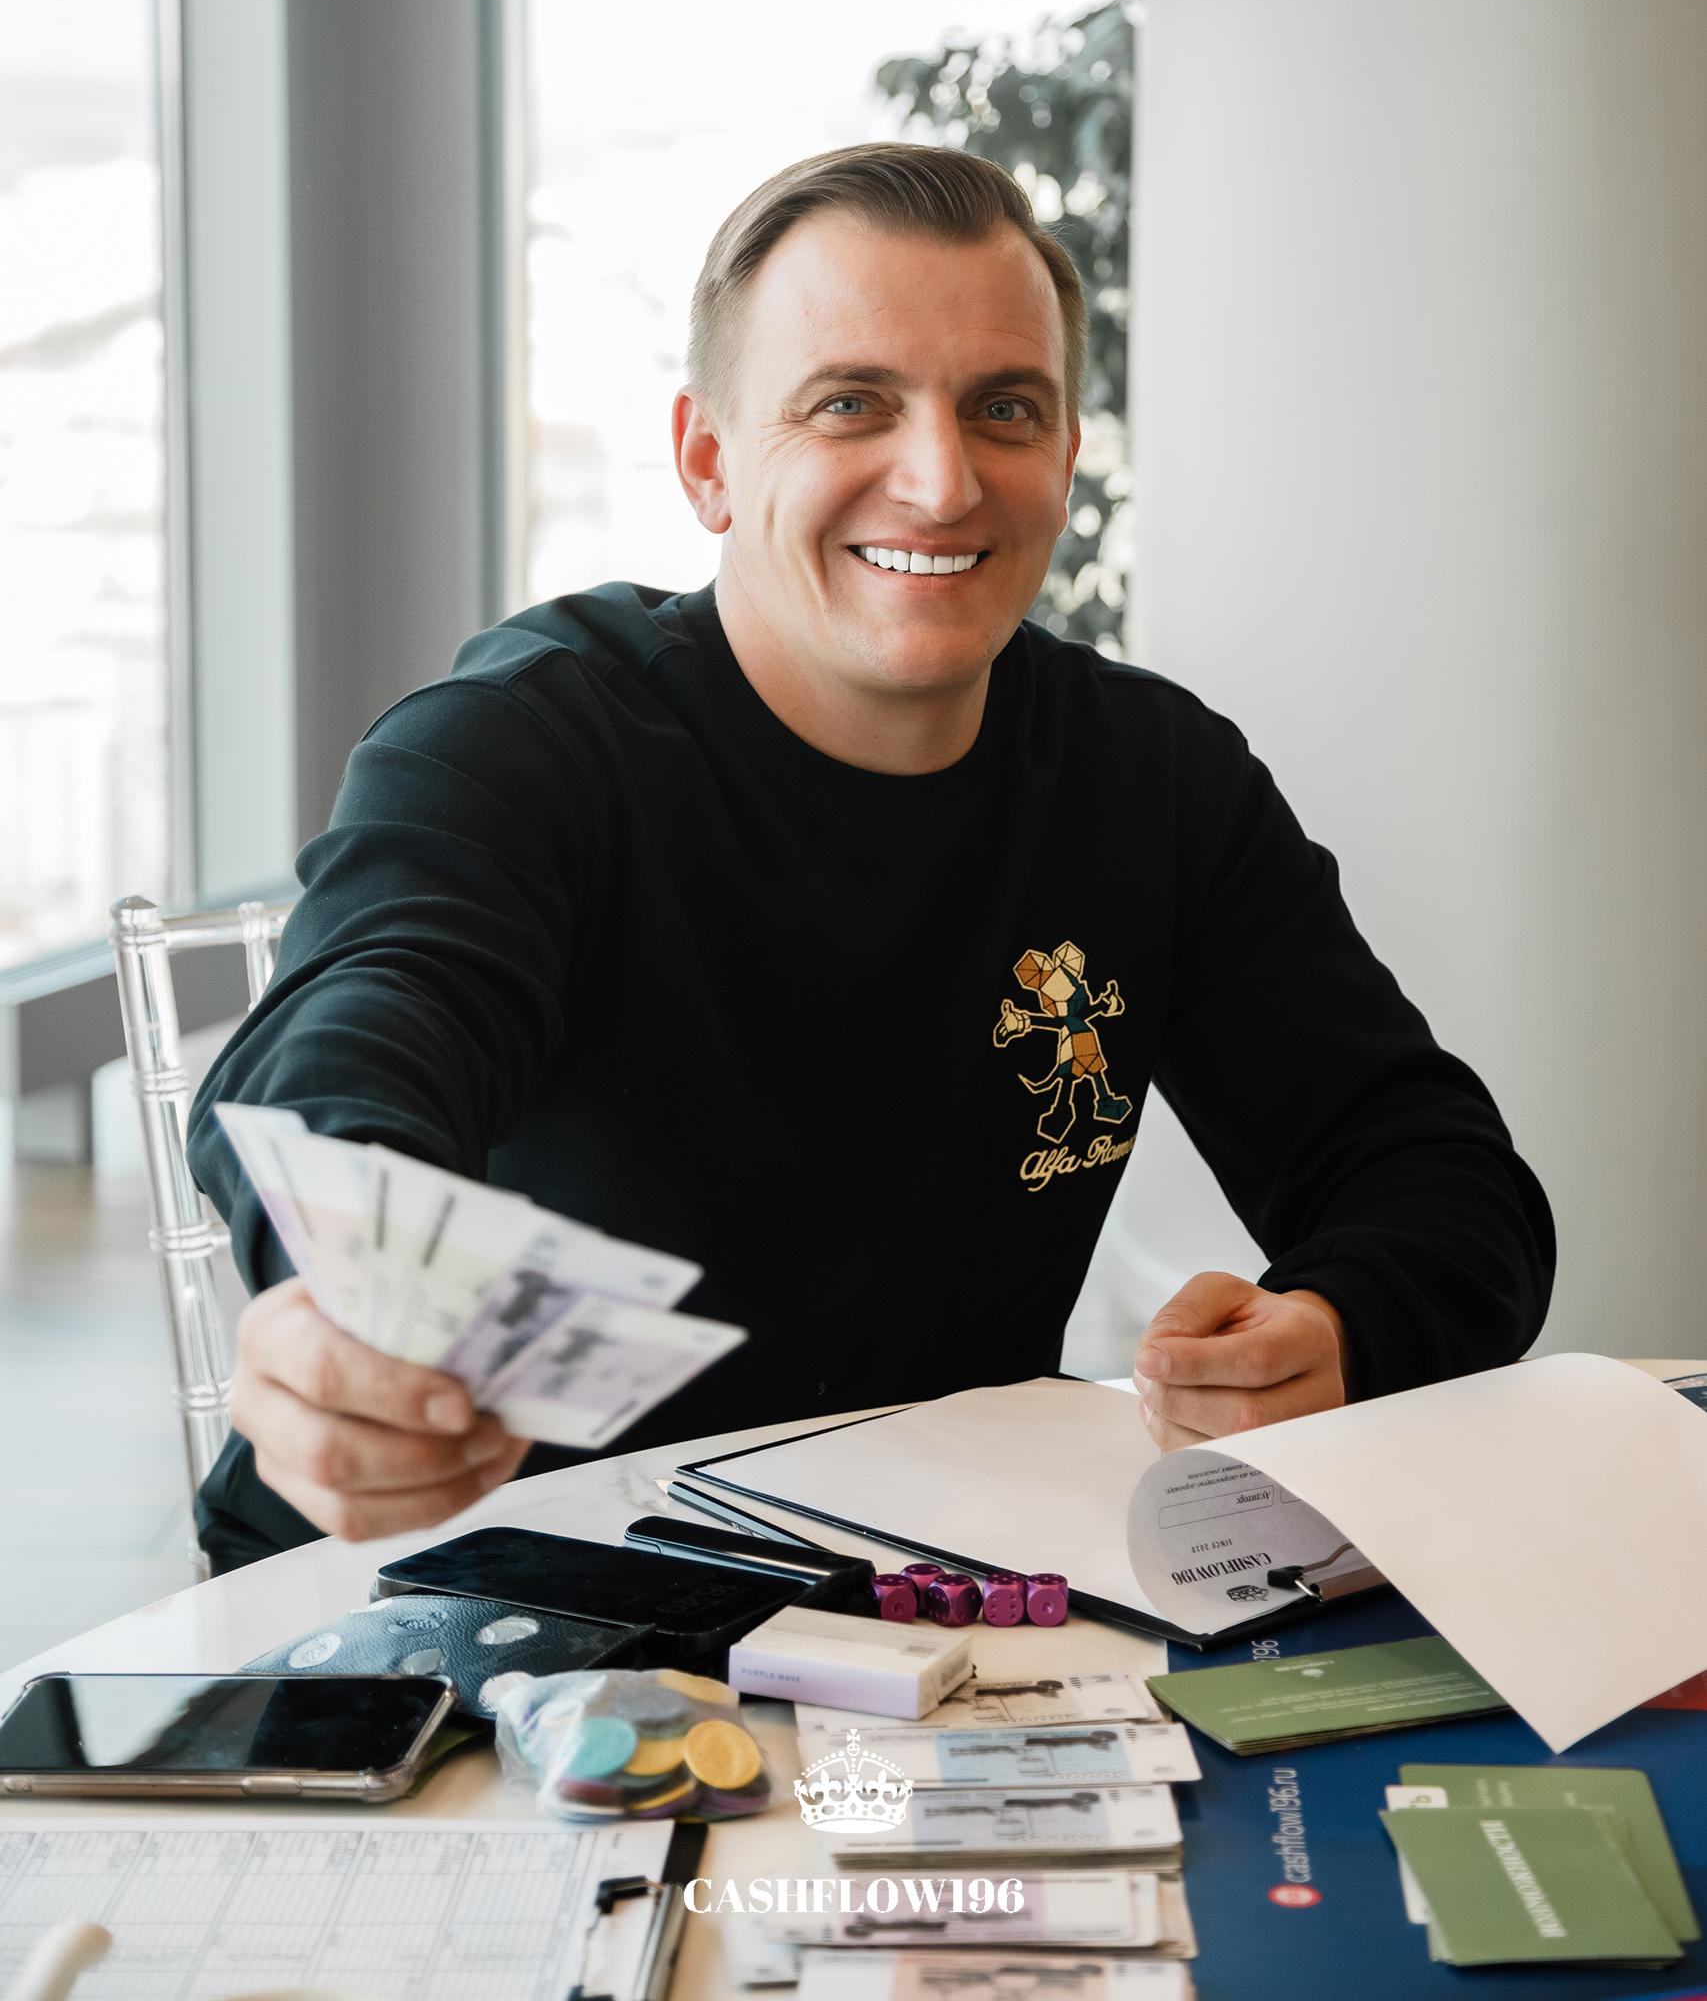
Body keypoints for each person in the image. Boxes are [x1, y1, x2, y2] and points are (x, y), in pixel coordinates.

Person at [188, 143, 1554, 1570]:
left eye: (1004, 409)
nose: (941, 481)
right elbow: (341, 1054)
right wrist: (343, 1316)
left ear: (1066, 461)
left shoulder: (1154, 779)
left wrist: (1336, 1328)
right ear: (709, 462)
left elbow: (1443, 1182)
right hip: (461, 1577)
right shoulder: (518, 743)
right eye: (850, 403)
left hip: (918, 1591)